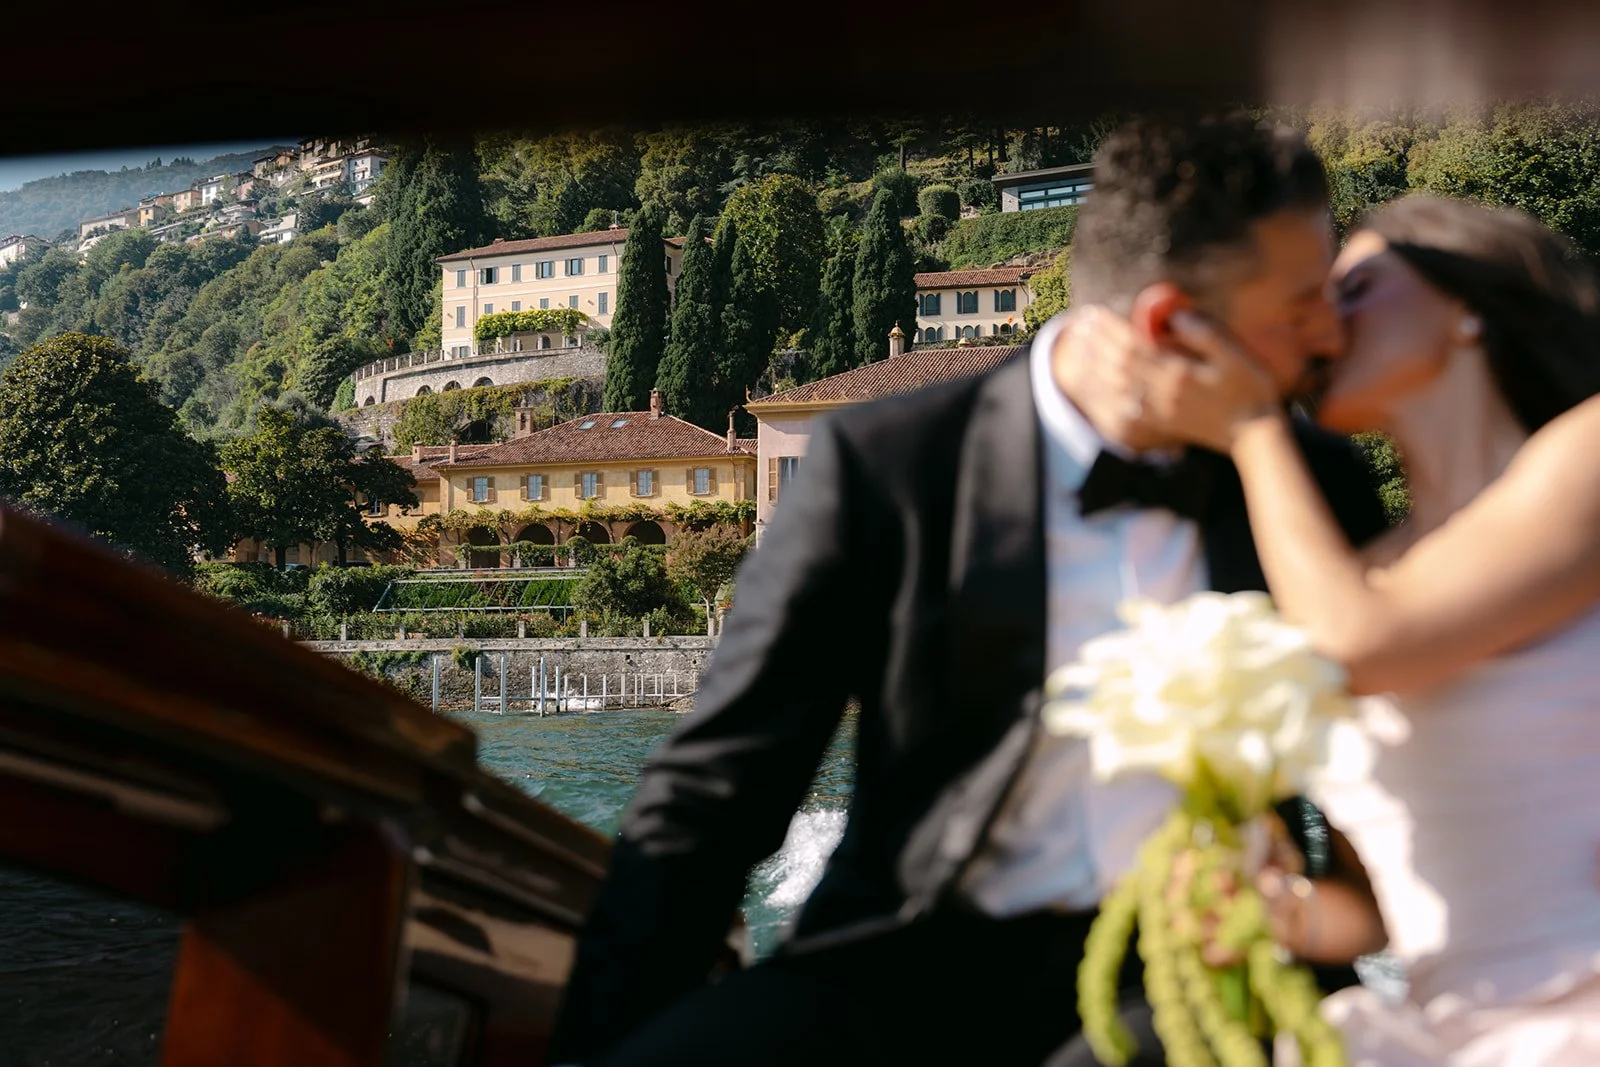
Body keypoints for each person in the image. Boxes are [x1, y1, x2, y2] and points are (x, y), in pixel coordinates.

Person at [547, 114, 1391, 1067]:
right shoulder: (889, 467)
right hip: (906, 966)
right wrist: (595, 1044)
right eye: (1300, 306)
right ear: (1170, 325)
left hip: (1200, 969)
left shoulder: (1311, 482)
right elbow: (719, 786)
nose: (1334, 332)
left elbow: (1383, 771)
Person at [1068, 192, 1600, 1064]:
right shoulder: (1349, 566)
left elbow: (1361, 643)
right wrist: (1272, 907)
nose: (1321, 328)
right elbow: (1378, 910)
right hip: (1443, 1031)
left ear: (1465, 300)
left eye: (1353, 290)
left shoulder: (1589, 450)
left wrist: (1249, 425)